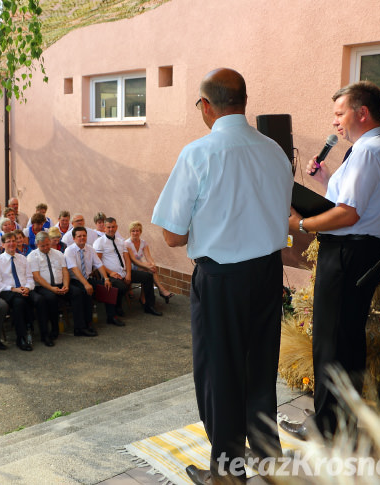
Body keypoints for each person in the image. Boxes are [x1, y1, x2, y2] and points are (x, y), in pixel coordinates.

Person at [152, 68, 293, 483]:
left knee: (220, 374)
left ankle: (228, 473)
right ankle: (268, 461)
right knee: (260, 369)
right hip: (267, 273)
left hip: (221, 280)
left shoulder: (198, 154)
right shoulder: (274, 152)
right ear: (243, 102)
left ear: (207, 106)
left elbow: (174, 236)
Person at [282, 81, 380, 440]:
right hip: (364, 251)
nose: (335, 122)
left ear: (361, 113)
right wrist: (326, 179)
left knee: (330, 340)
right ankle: (344, 417)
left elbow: (348, 215)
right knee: (347, 337)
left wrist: (300, 223)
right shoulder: (378, 146)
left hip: (349, 251)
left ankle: (325, 425)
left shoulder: (367, 151)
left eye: (339, 113)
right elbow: (353, 202)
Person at [93, 217, 162, 321]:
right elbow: (97, 262)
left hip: (124, 272)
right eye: (108, 227)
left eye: (113, 227)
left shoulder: (120, 241)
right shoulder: (100, 242)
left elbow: (127, 259)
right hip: (110, 275)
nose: (111, 229)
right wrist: (110, 273)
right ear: (104, 228)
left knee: (148, 277)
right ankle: (117, 308)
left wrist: (128, 273)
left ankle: (149, 306)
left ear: (116, 227)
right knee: (121, 286)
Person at [0, 232, 42, 351]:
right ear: (3, 245)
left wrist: (27, 288)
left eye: (13, 241)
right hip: (7, 290)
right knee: (19, 302)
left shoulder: (23, 259)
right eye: (8, 241)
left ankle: (44, 333)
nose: (11, 244)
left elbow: (30, 277)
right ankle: (21, 337)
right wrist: (14, 289)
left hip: (24, 289)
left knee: (40, 299)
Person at [64, 226, 113, 336]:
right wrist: (86, 284)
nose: (82, 238)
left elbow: (99, 264)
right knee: (83, 293)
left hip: (87, 278)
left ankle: (111, 317)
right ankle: (80, 327)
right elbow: (74, 270)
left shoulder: (90, 248)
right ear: (74, 238)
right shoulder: (69, 251)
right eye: (79, 236)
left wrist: (106, 278)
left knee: (108, 287)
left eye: (84, 236)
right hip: (74, 280)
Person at [28, 231, 74, 346]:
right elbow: (37, 277)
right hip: (42, 286)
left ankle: (81, 326)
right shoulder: (32, 256)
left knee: (77, 292)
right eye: (42, 245)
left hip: (59, 284)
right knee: (50, 298)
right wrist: (52, 288)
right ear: (37, 244)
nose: (45, 247)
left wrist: (66, 285)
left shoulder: (58, 254)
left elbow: (64, 271)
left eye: (47, 244)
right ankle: (50, 332)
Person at [126, 221, 174, 303]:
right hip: (129, 267)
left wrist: (152, 264)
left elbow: (148, 257)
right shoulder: (127, 243)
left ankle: (145, 296)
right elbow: (133, 260)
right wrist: (147, 266)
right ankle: (160, 289)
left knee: (151, 268)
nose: (135, 233)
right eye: (133, 231)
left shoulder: (143, 243)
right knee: (147, 270)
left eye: (137, 230)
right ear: (130, 232)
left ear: (140, 232)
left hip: (140, 266)